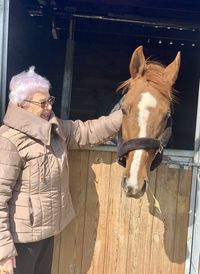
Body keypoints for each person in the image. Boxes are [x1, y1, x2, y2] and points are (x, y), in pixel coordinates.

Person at [0, 66, 122, 274]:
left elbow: (87, 131)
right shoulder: (9, 140)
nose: (48, 107)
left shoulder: (54, 128)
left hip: (46, 232)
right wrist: (4, 251)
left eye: (50, 100)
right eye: (42, 103)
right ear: (22, 105)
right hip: (21, 240)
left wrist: (125, 114)